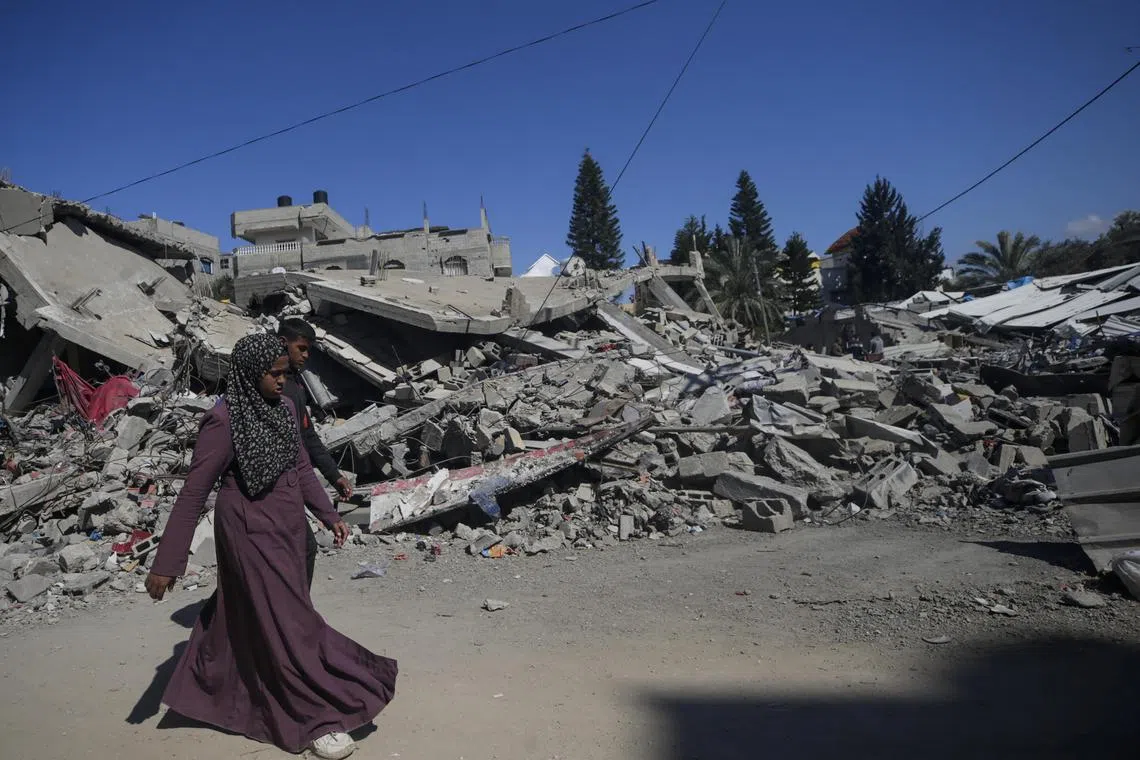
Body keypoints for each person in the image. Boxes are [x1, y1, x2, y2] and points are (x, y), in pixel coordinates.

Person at [145, 333, 397, 759]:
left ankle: (223, 694)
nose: (282, 381)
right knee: (290, 622)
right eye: (274, 373)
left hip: (287, 529)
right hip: (247, 534)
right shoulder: (223, 420)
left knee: (257, 620)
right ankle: (316, 718)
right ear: (248, 373)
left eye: (284, 373)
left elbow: (300, 468)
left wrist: (329, 515)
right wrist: (168, 561)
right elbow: (193, 494)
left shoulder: (282, 409)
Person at [277, 318, 353, 589]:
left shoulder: (295, 386)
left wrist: (334, 475)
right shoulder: (275, 388)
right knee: (300, 549)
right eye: (302, 349)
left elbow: (307, 436)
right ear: (284, 344)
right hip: (272, 491)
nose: (306, 356)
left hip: (292, 483)